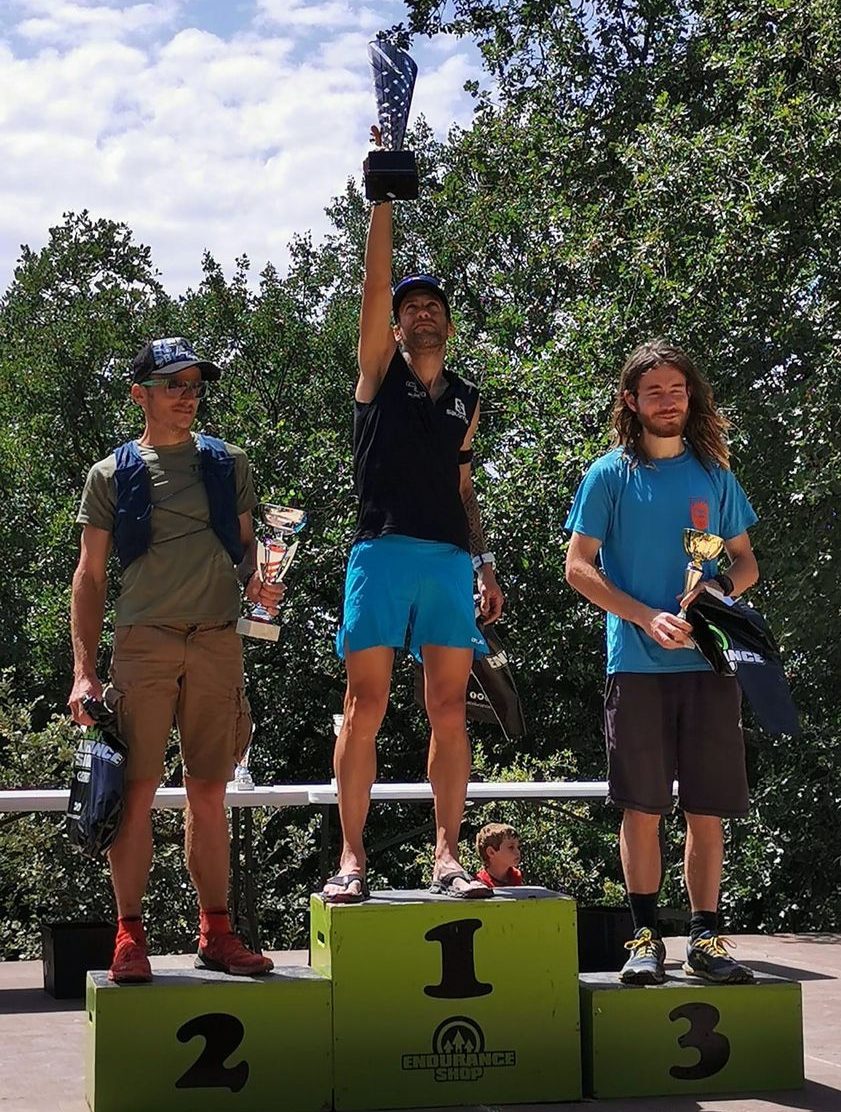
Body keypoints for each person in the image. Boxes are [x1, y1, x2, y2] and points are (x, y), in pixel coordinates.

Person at [68, 337, 284, 983]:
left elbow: (249, 552)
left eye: (193, 385)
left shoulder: (227, 464)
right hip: (143, 643)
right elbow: (88, 575)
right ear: (140, 394)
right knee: (133, 798)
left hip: (219, 641)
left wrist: (261, 583)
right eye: (173, 385)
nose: (187, 396)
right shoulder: (111, 474)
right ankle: (129, 939)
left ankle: (216, 933)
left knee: (209, 795)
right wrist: (84, 670)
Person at [323, 177, 504, 903]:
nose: (419, 314)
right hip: (381, 553)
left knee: (450, 710)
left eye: (431, 307)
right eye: (407, 308)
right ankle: (350, 858)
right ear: (394, 327)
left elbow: (462, 487)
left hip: (448, 560)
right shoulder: (376, 373)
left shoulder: (467, 397)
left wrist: (485, 562)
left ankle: (447, 857)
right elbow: (371, 285)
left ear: (447, 326)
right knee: (363, 704)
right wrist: (382, 202)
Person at [565, 339, 758, 985]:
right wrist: (644, 616)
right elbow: (576, 567)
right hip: (635, 666)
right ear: (630, 401)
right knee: (640, 808)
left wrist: (712, 597)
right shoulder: (607, 475)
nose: (667, 400)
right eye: (654, 392)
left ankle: (705, 938)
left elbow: (744, 562)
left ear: (689, 395)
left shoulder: (713, 475)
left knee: (706, 810)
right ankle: (642, 936)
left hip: (708, 665)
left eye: (676, 389)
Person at [475, 823, 524, 888]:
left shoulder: (516, 876)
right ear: (491, 852)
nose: (518, 852)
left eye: (518, 847)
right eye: (511, 847)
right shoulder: (480, 883)